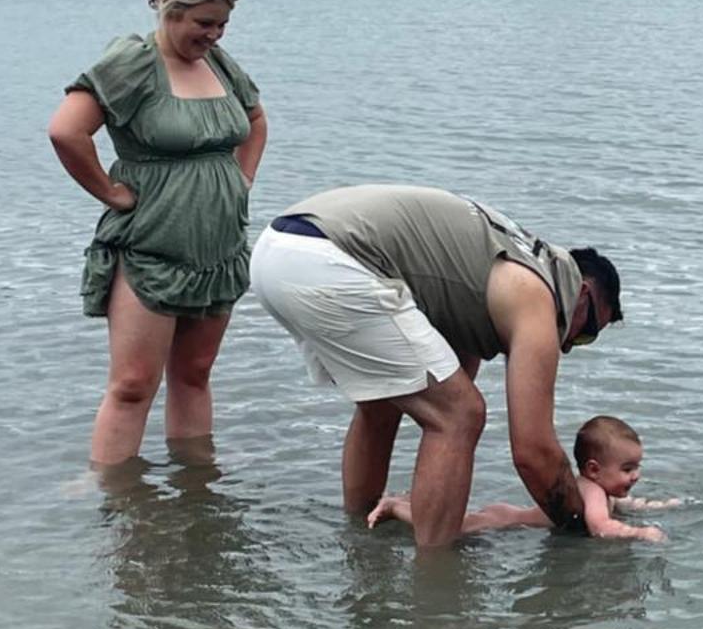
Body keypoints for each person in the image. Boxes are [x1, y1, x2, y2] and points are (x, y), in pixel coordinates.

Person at [249, 185, 620, 547]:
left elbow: (453, 377)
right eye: (585, 333)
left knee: (383, 405)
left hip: (278, 249)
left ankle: (362, 536)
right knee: (459, 414)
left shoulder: (496, 270)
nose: (567, 347)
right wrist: (580, 526)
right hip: (328, 258)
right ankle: (437, 583)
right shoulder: (538, 293)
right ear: (581, 293)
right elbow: (533, 451)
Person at [48, 0, 268, 466]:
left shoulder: (219, 63)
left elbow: (255, 120)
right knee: (132, 384)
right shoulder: (133, 62)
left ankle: (196, 492)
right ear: (170, 11)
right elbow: (66, 131)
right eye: (203, 23)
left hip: (218, 246)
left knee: (194, 375)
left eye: (221, 25)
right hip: (149, 245)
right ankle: (115, 498)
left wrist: (241, 178)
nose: (212, 34)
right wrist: (111, 193)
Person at [367, 413, 677, 542]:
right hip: (505, 521)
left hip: (508, 513)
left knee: (452, 519)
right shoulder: (593, 492)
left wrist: (659, 506)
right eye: (627, 469)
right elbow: (600, 526)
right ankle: (396, 506)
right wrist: (639, 534)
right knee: (453, 526)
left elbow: (627, 505)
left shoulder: (603, 490)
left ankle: (406, 501)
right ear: (594, 469)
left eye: (637, 466)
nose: (635, 475)